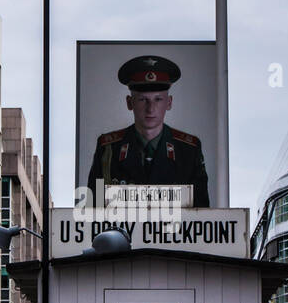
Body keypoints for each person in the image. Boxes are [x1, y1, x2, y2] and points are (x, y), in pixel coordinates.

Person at [86, 55, 210, 207]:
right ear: (129, 103)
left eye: (158, 99)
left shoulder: (188, 151)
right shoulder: (108, 148)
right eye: (142, 99)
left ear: (169, 103)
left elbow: (203, 216)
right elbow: (93, 211)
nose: (150, 108)